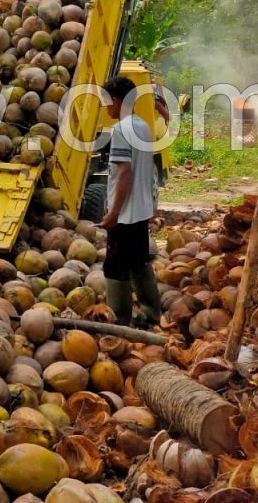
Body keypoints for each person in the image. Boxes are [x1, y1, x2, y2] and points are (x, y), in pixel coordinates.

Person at [99, 76, 161, 328]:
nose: (106, 108)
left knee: (114, 267)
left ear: (115, 100)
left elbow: (124, 172)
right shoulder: (142, 126)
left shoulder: (121, 130)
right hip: (141, 211)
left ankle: (120, 322)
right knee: (139, 262)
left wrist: (114, 212)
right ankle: (151, 313)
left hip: (125, 215)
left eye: (106, 103)